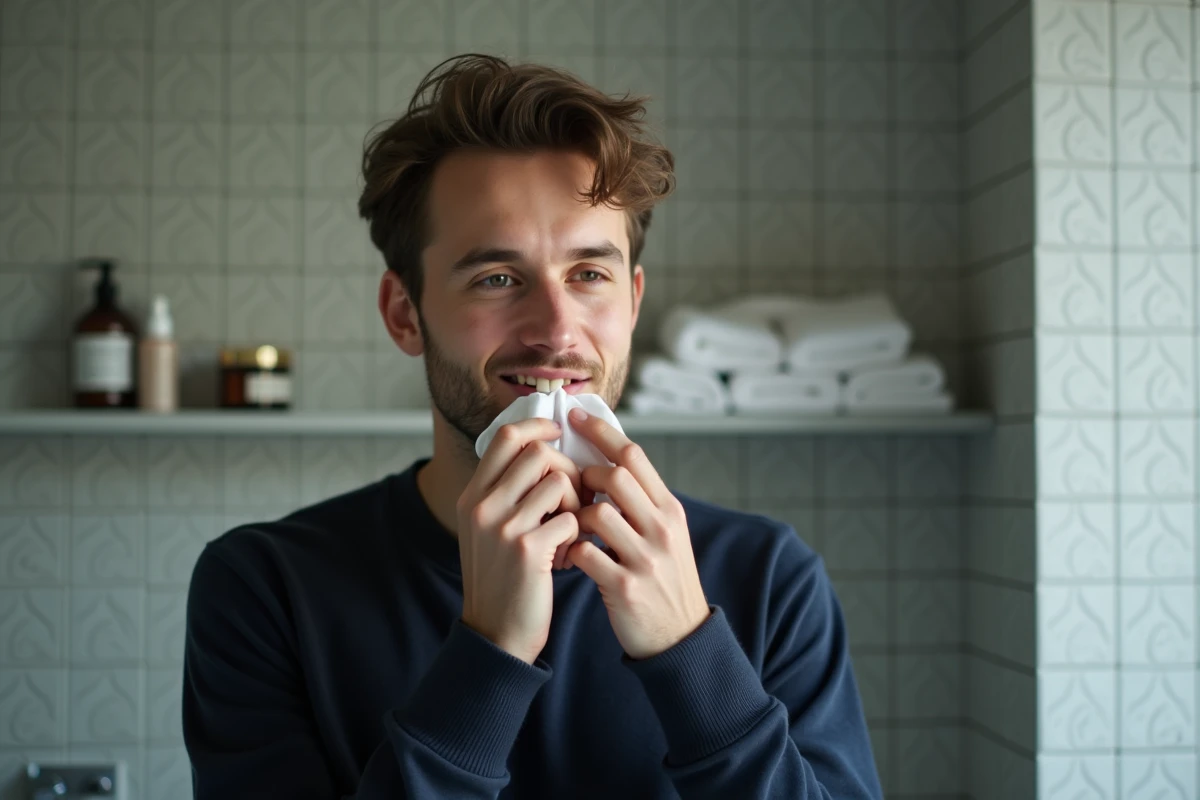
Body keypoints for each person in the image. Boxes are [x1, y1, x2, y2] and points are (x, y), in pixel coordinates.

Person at [182, 54, 883, 799]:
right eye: (497, 278)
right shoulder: (265, 589)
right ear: (402, 313)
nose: (556, 330)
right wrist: (487, 653)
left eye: (589, 274)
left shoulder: (771, 579)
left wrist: (689, 654)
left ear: (634, 301)